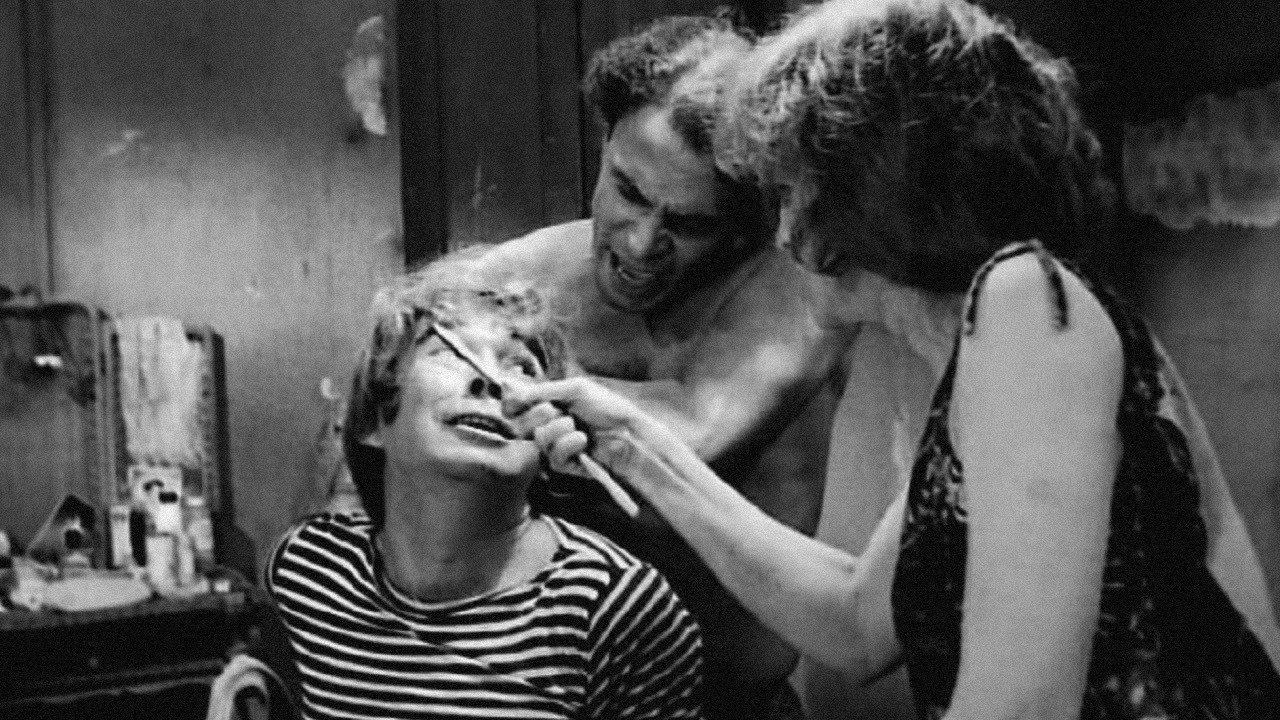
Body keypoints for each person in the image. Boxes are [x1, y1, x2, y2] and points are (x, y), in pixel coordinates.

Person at [514, 1, 1280, 718]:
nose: (783, 230)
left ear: (868, 186)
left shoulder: (1024, 301)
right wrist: (635, 448)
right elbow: (855, 623)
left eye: (794, 186)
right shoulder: (974, 351)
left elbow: (1020, 708)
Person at [473, 15, 852, 718]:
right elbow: (372, 435)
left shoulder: (796, 299)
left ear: (746, 224)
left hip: (729, 706)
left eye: (689, 224)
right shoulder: (516, 278)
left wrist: (481, 395)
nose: (643, 243)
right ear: (605, 145)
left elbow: (695, 436)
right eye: (629, 192)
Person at [265, 256, 704, 720]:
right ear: (374, 417)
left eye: (522, 368)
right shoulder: (308, 570)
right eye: (452, 353)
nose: (489, 381)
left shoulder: (617, 608)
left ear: (553, 436)